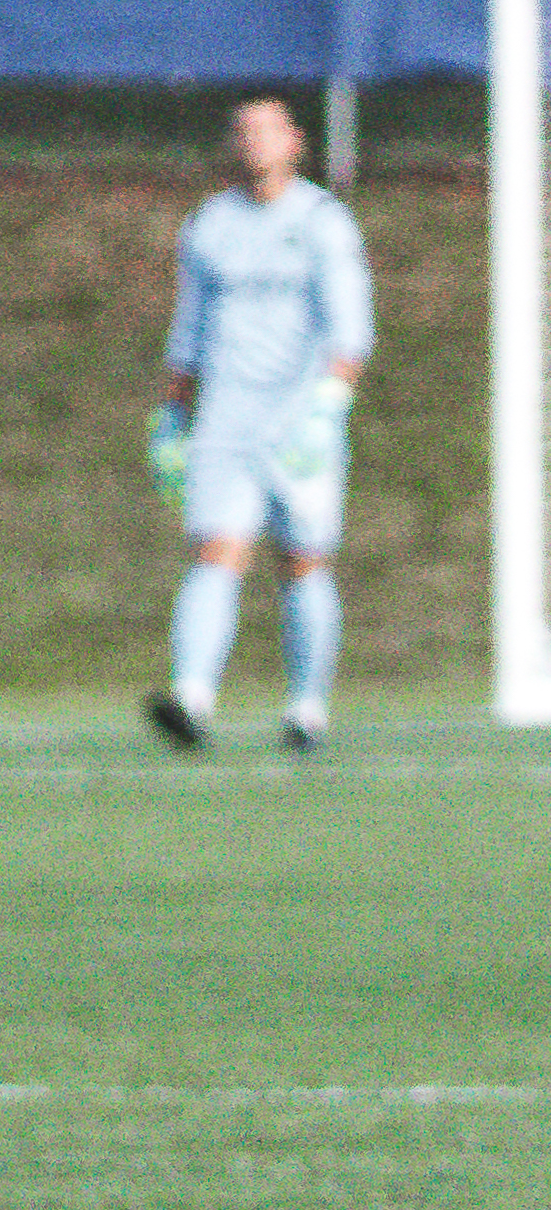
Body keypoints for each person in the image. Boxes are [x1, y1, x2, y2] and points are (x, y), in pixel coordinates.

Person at [145, 94, 372, 754]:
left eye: (268, 130)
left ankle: (307, 707)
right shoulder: (210, 224)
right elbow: (189, 331)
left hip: (301, 420)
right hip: (227, 420)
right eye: (243, 131)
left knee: (302, 562)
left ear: (296, 141)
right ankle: (191, 699)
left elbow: (351, 330)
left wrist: (329, 408)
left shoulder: (324, 222)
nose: (254, 143)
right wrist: (172, 419)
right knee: (215, 552)